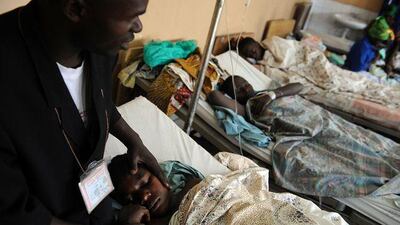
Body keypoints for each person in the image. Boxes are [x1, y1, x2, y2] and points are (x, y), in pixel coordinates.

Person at [0, 0, 169, 225]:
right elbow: (13, 208)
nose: (138, 27)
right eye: (130, 17)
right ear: (76, 9)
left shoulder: (100, 46)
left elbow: (98, 103)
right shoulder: (8, 76)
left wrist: (132, 139)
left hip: (93, 200)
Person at [108, 154, 203, 225]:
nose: (144, 198)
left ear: (158, 172)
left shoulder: (196, 187)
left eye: (146, 183)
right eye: (132, 199)